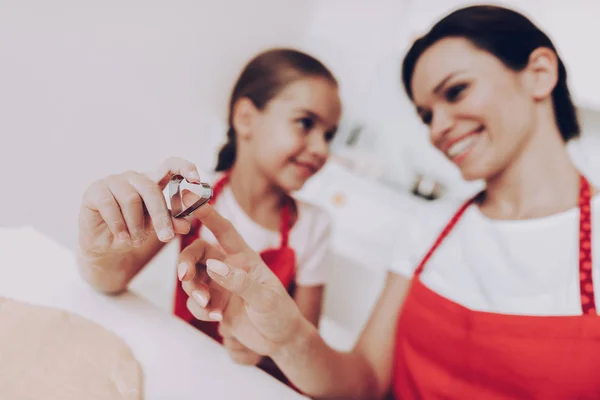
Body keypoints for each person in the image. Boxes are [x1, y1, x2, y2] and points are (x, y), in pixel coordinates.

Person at [174, 5, 600, 399]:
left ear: (540, 73)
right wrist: (287, 338)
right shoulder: (430, 228)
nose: (438, 130)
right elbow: (364, 383)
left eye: (455, 92)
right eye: (426, 115)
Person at [77, 48, 342, 375]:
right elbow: (111, 279)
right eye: (306, 123)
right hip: (182, 366)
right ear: (245, 118)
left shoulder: (313, 225)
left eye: (329, 134)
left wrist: (264, 351)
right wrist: (100, 244)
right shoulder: (193, 190)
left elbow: (305, 346)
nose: (322, 149)